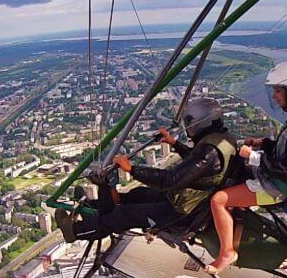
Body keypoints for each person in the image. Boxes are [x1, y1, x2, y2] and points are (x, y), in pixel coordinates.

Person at [55, 97, 237, 242]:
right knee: (136, 194)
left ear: (199, 123)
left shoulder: (209, 150)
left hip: (186, 214)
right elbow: (197, 162)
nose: (189, 128)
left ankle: (76, 232)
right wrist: (174, 143)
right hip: (191, 200)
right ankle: (91, 206)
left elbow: (170, 180)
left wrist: (132, 169)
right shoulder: (220, 139)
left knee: (125, 214)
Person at [205, 61, 287, 274]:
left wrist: (253, 157)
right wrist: (263, 143)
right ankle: (236, 228)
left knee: (219, 200)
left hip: (280, 188)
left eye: (279, 90)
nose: (275, 96)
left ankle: (227, 252)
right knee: (235, 175)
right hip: (279, 181)